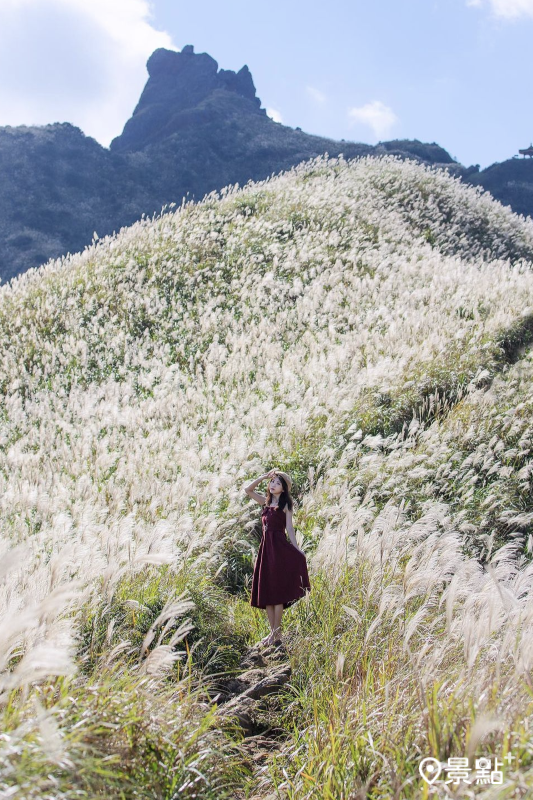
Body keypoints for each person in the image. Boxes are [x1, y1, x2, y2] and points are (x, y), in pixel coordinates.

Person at [244, 468, 311, 648]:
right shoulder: (265, 503)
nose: (273, 485)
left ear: (284, 488)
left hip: (279, 549)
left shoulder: (286, 506)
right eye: (272, 482)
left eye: (277, 483)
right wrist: (262, 476)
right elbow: (248, 490)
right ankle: (271, 633)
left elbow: (289, 529)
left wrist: (297, 550)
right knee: (267, 592)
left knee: (278, 593)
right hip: (266, 550)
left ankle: (277, 634)